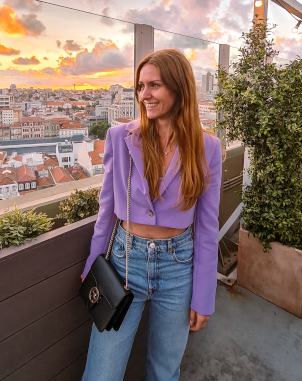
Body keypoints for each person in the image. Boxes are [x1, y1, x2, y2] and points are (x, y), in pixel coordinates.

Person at [80, 49, 225, 381]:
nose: (144, 94)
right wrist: (92, 263)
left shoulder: (208, 148)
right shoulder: (120, 137)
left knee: (164, 370)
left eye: (154, 85)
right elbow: (107, 209)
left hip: (178, 269)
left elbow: (206, 226)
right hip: (124, 262)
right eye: (141, 86)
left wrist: (204, 296)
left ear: (178, 88)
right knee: (101, 372)